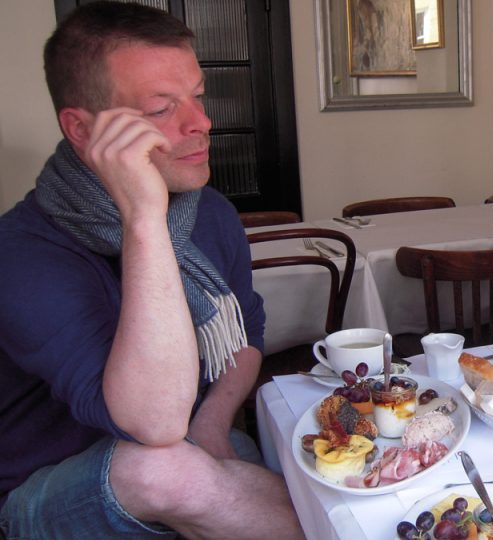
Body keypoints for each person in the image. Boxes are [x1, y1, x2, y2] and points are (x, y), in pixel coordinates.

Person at [0, 2, 304, 538]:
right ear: (81, 129)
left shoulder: (209, 212)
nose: (202, 123)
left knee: (308, 446)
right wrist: (143, 218)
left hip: (192, 439)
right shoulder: (21, 255)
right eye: (162, 108)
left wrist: (212, 424)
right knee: (164, 470)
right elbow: (154, 424)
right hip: (44, 484)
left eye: (198, 97)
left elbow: (246, 335)